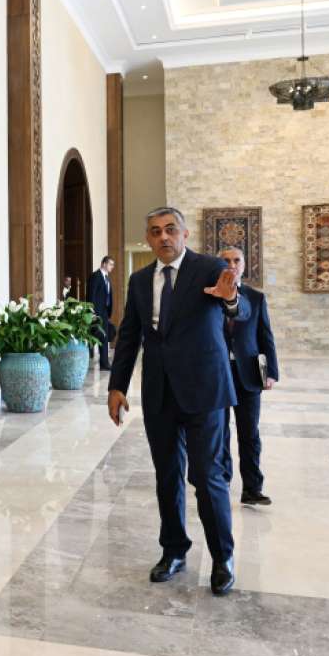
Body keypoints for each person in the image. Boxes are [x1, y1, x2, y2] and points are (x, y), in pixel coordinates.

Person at [107, 208, 248, 596]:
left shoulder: (210, 268)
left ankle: (222, 558)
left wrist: (231, 299)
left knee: (207, 476)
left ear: (185, 234)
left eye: (171, 230)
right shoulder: (139, 280)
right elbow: (129, 336)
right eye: (155, 232)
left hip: (205, 390)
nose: (163, 237)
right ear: (148, 239)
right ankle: (173, 551)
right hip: (160, 392)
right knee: (167, 475)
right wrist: (117, 386)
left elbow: (240, 309)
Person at [219, 246, 279, 506]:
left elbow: (265, 336)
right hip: (218, 374)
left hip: (249, 374)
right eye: (226, 260)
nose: (231, 265)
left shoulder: (256, 298)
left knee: (249, 433)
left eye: (236, 260)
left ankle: (252, 489)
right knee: (219, 432)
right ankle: (221, 482)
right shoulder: (209, 295)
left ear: (244, 265)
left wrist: (271, 372)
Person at [88, 256, 116, 370]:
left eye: (113, 265)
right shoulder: (96, 276)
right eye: (110, 264)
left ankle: (104, 363)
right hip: (97, 312)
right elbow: (91, 294)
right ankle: (93, 358)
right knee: (95, 336)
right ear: (104, 264)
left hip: (104, 312)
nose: (112, 267)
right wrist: (92, 312)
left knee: (104, 337)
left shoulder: (107, 278)